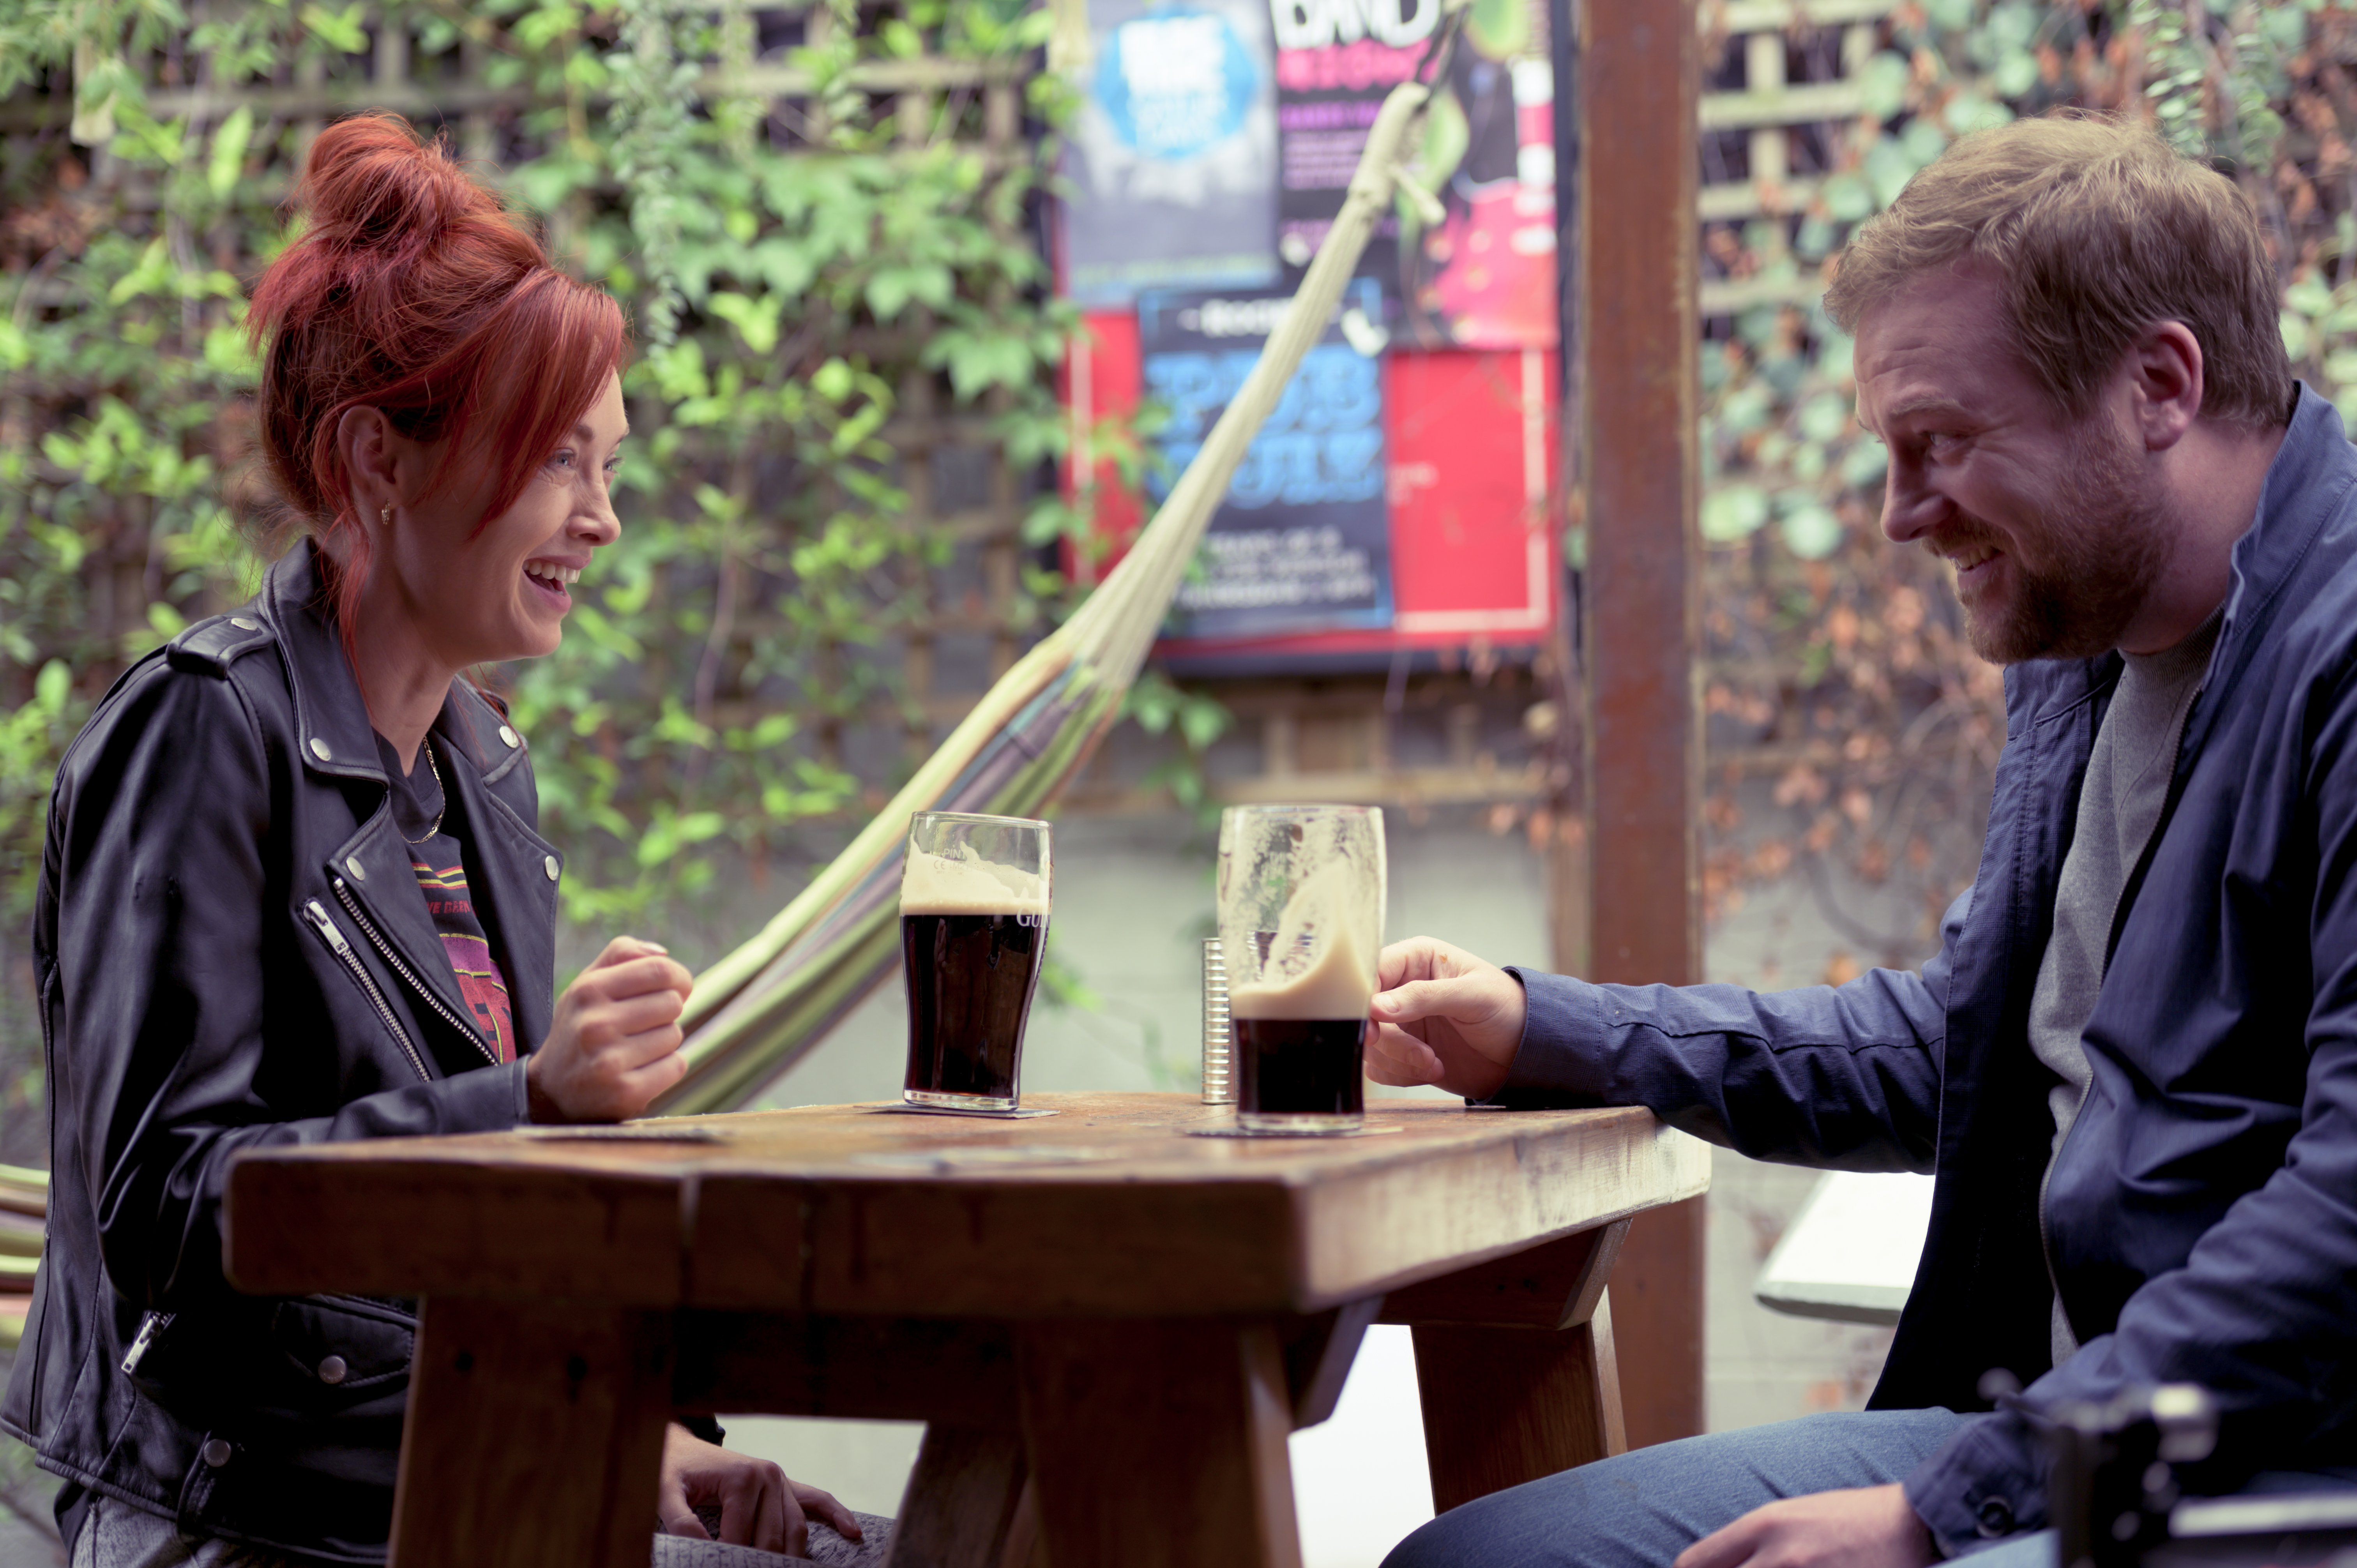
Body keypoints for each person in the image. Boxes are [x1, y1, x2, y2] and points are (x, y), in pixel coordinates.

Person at [1369, 111, 2357, 1568]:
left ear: (2159, 383)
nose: (1901, 514)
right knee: (1476, 1564)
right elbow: (1965, 1048)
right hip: (2054, 1435)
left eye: (1941, 442)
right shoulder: (2089, 653)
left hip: (2275, 1478)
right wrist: (1541, 1032)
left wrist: (1939, 1514)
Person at [0, 114, 885, 1567]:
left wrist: (641, 1439)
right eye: (557, 463)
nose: (600, 520)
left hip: (450, 1468)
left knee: (906, 1549)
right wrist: (525, 1102)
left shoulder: (482, 779)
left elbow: (482, 1262)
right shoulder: (200, 735)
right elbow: (166, 1208)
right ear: (377, 459)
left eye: (607, 469)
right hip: (236, 1514)